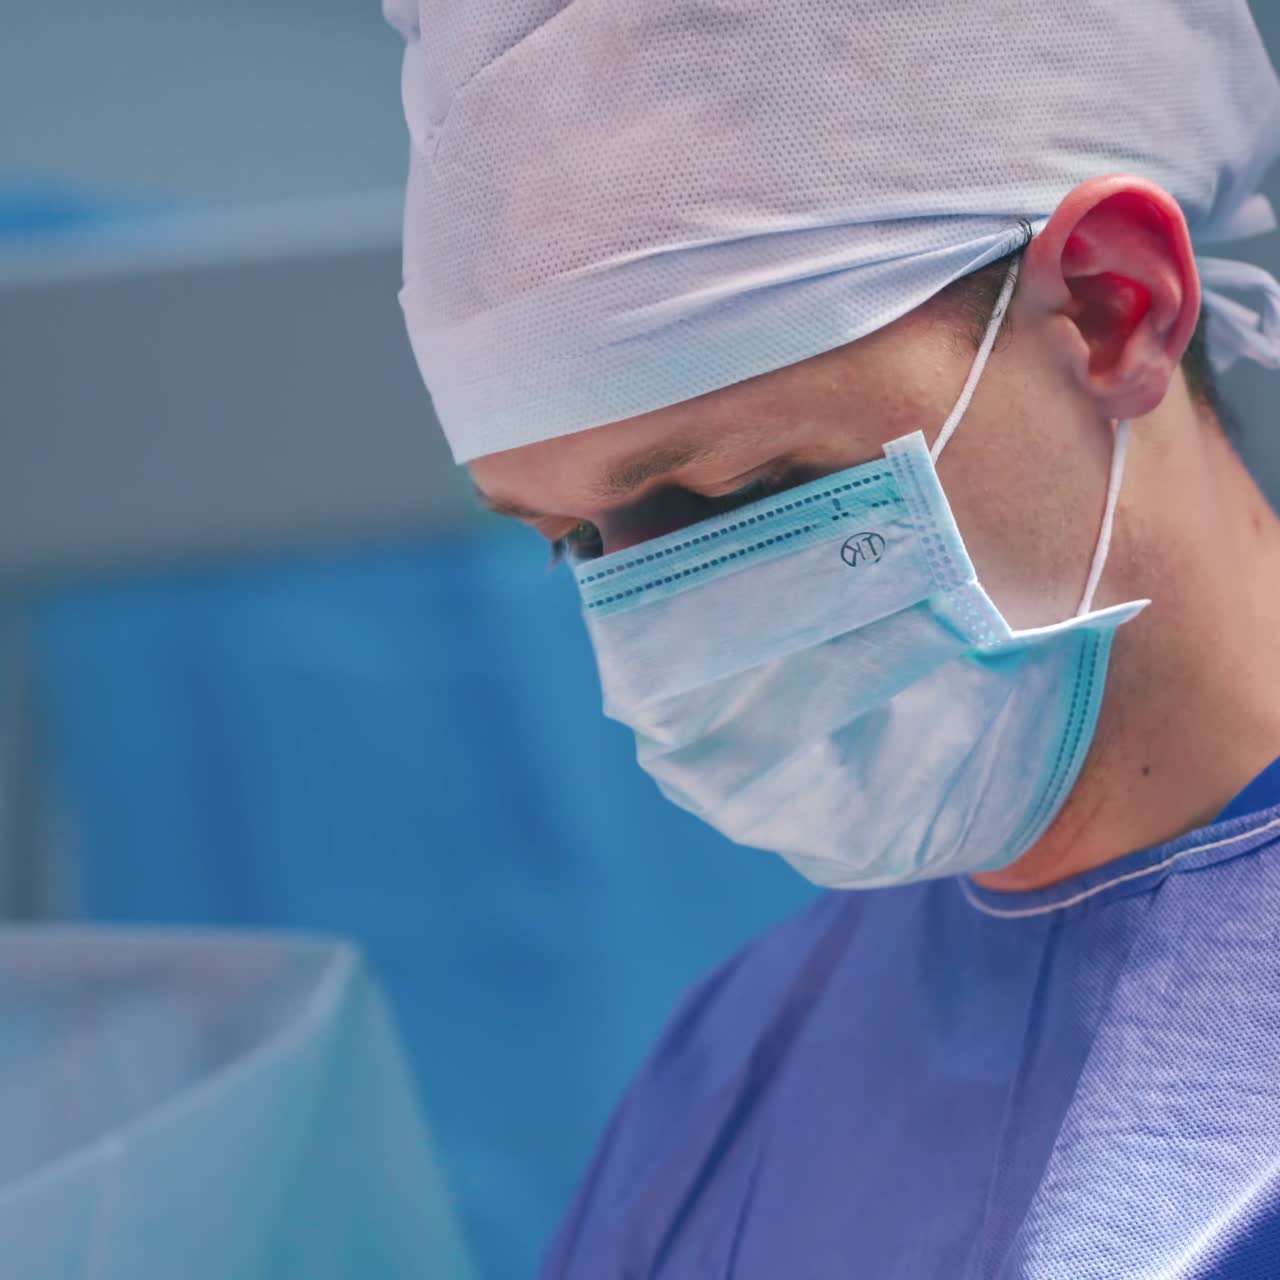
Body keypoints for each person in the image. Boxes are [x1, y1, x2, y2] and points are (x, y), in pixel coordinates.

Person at [383, 1, 1280, 1273]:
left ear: (1109, 305)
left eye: (728, 496)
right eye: (569, 541)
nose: (660, 639)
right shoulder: (732, 1088)